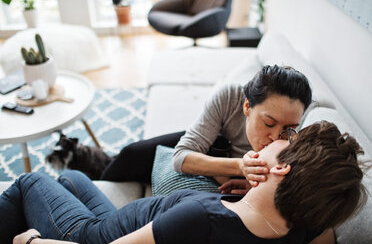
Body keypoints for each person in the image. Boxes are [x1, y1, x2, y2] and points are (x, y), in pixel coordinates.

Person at [2, 121, 367, 244]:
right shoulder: (303, 225)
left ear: (283, 170)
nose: (275, 140)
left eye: (286, 138)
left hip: (99, 235)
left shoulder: (201, 216)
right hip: (126, 219)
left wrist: (33, 240)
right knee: (72, 177)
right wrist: (259, 192)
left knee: (31, 182)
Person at [101, 65, 312, 191]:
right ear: (247, 105)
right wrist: (240, 166)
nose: (276, 137)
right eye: (268, 123)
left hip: (219, 174)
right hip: (216, 146)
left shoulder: (302, 134)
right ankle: (94, 168)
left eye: (289, 128)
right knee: (130, 154)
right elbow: (181, 157)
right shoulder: (230, 97)